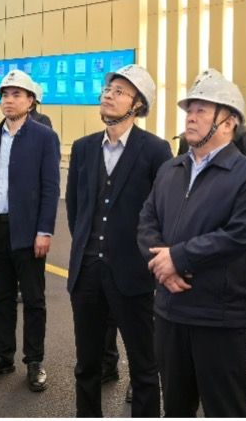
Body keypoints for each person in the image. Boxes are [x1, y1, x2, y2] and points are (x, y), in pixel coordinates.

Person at [138, 68, 246, 417]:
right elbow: (147, 221)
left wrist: (178, 258)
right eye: (189, 110)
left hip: (219, 317)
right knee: (175, 407)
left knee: (225, 408)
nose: (191, 118)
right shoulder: (171, 169)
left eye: (201, 111)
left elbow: (238, 234)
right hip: (170, 312)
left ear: (228, 122)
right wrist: (162, 267)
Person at [67, 64, 172, 417]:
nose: (108, 96)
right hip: (87, 272)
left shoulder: (155, 150)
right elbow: (76, 209)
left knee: (144, 367)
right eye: (107, 89)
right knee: (87, 365)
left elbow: (163, 212)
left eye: (119, 92)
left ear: (137, 104)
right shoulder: (83, 148)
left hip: (133, 273)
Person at [0, 69, 61, 392]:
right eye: (5, 95)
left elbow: (51, 188)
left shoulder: (44, 137)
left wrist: (45, 230)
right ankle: (3, 356)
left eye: (17, 94)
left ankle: (34, 361)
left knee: (33, 300)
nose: (9, 100)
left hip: (28, 232)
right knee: (2, 298)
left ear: (30, 101)